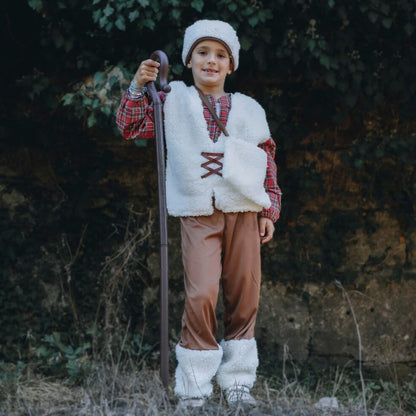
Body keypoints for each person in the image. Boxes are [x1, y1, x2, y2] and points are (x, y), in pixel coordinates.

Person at [116, 19, 282, 407]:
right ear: (188, 61)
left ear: (231, 65)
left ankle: (238, 383)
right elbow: (130, 126)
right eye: (203, 53)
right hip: (197, 210)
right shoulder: (172, 99)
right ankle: (194, 386)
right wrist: (138, 87)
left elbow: (267, 161)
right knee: (202, 292)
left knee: (245, 293)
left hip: (244, 208)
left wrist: (269, 210)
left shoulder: (249, 109)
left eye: (221, 55)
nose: (212, 61)